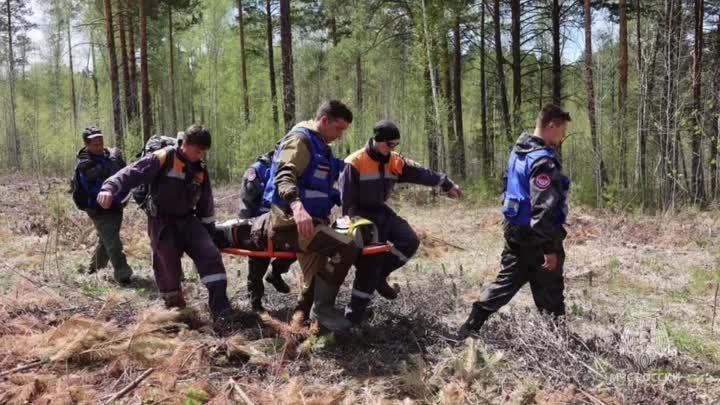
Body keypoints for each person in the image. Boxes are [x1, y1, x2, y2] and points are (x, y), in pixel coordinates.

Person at [97, 125, 241, 327]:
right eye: (198, 151)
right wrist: (109, 187)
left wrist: (210, 232)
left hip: (188, 221)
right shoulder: (163, 157)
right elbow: (132, 172)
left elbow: (205, 202)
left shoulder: (199, 168)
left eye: (204, 152)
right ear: (185, 145)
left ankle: (221, 311)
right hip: (161, 223)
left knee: (210, 255)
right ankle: (176, 315)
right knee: (167, 269)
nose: (201, 156)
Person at [459, 104, 571, 338]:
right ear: (552, 125)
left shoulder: (518, 152)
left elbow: (506, 187)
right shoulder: (543, 161)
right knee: (550, 291)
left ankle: (469, 327)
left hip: (515, 234)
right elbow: (543, 208)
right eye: (562, 131)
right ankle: (559, 343)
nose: (562, 137)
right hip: (537, 240)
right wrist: (548, 248)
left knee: (503, 286)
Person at [339, 120, 462, 323]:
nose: (392, 149)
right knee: (371, 263)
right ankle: (353, 317)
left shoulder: (395, 160)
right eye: (389, 144)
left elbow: (421, 173)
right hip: (360, 218)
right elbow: (347, 204)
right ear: (377, 140)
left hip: (382, 213)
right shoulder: (355, 162)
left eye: (396, 145)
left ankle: (381, 275)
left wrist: (446, 183)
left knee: (409, 240)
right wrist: (357, 228)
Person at [263, 100, 359, 332]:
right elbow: (284, 175)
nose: (339, 135)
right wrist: (297, 207)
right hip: (290, 224)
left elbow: (319, 186)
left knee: (315, 279)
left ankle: (302, 325)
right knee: (346, 246)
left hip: (313, 223)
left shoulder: (321, 147)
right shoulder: (300, 141)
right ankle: (323, 309)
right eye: (338, 129)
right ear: (324, 121)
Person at [72, 127, 134, 284]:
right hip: (99, 209)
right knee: (113, 242)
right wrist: (111, 193)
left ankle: (94, 270)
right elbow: (94, 189)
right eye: (95, 144)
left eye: (101, 142)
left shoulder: (112, 157)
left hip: (116, 206)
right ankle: (123, 275)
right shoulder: (85, 165)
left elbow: (126, 175)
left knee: (106, 240)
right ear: (87, 145)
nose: (99, 147)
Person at [238, 151, 295, 312]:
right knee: (256, 265)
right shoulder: (258, 170)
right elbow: (245, 202)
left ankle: (276, 272)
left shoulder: (292, 168)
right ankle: (255, 304)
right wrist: (247, 228)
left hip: (282, 224)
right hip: (259, 227)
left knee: (300, 247)